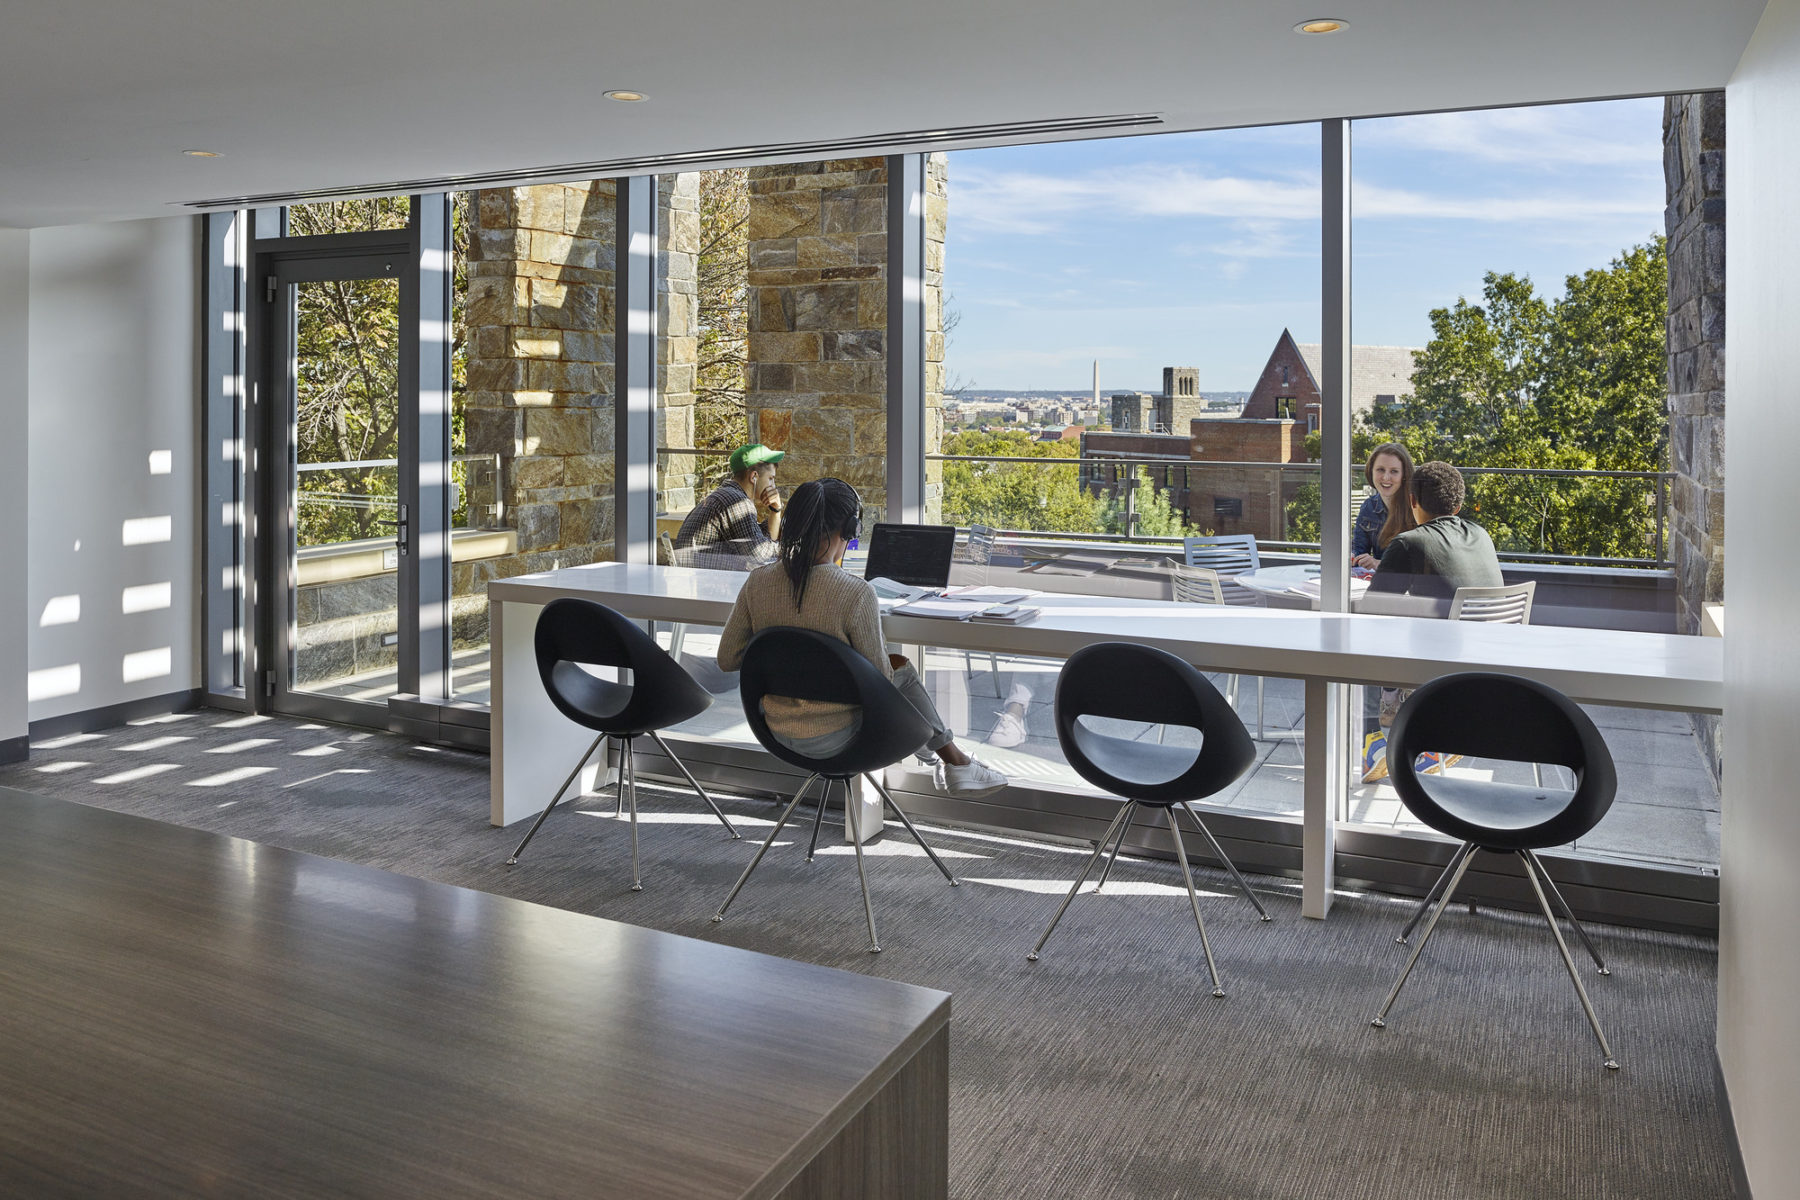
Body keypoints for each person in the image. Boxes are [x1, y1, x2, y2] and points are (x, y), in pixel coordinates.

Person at [716, 478, 1008, 797]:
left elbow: (727, 659)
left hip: (776, 732)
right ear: (851, 530)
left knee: (896, 668)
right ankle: (953, 760)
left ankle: (951, 760)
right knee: (901, 670)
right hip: (846, 738)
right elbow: (880, 680)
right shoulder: (855, 593)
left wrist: (787, 660)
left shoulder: (757, 583)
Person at [1361, 460, 1502, 783]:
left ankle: (1372, 741)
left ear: (1412, 501)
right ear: (1459, 504)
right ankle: (1436, 741)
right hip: (1492, 653)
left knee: (1362, 641)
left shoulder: (1411, 542)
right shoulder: (1480, 534)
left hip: (1444, 661)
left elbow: (1374, 610)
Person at [1367, 460, 1503, 599]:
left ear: (1412, 501)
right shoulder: (1481, 533)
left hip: (1446, 621)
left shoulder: (1408, 542)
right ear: (1457, 508)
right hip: (1496, 619)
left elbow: (1373, 605)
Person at [672, 443, 786, 566]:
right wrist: (789, 550)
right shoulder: (737, 502)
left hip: (696, 575)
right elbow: (759, 554)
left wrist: (775, 510)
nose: (773, 486)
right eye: (770, 478)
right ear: (754, 477)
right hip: (700, 579)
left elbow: (764, 539)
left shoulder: (728, 495)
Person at [1351, 442, 1419, 569]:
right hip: (1379, 584)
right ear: (1371, 471)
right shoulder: (1368, 506)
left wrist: (1378, 564)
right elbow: (1358, 550)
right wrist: (1351, 557)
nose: (1386, 477)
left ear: (1404, 475)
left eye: (1394, 471)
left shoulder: (1418, 508)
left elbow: (1421, 564)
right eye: (1380, 470)